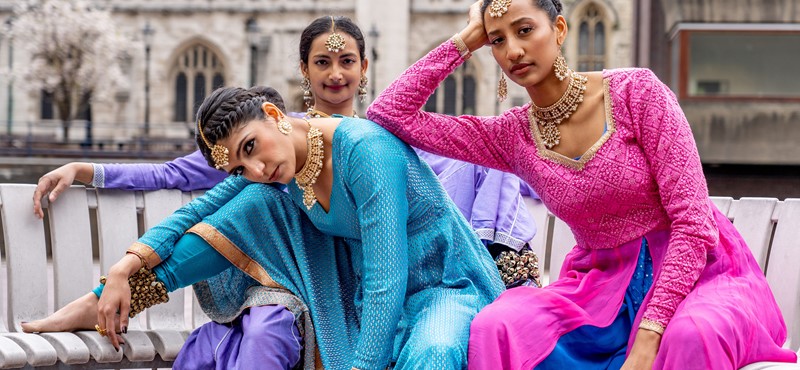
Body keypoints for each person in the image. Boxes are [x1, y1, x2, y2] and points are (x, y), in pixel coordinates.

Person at [366, 0, 799, 369]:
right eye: (498, 40)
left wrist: (650, 334)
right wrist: (466, 39)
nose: (513, 50)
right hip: (600, 287)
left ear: (558, 29)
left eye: (524, 30)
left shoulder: (637, 93)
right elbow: (389, 113)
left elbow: (692, 220)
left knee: (690, 336)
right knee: (497, 326)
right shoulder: (511, 137)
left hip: (698, 274)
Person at [32, 16, 538, 263]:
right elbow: (174, 173)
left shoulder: (388, 132)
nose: (335, 75)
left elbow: (457, 174)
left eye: (346, 62)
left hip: (415, 255)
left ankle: (494, 259)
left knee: (480, 152)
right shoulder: (267, 143)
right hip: (326, 269)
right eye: (323, 62)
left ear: (364, 69)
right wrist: (85, 170)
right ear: (304, 70)